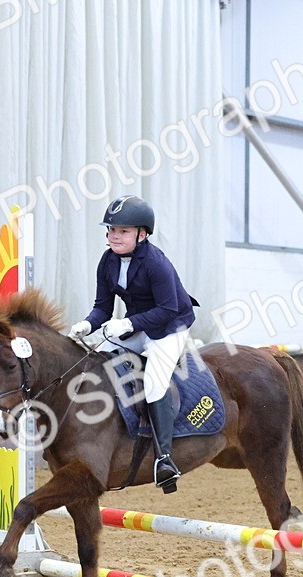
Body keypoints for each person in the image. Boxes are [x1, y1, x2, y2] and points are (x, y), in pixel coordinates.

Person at [68, 195, 196, 493]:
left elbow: (168, 308)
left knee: (153, 383)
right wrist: (87, 324)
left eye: (123, 231)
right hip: (138, 323)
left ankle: (165, 459)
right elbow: (103, 307)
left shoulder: (155, 263)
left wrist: (126, 324)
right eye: (112, 230)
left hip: (169, 328)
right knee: (99, 355)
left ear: (142, 234)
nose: (115, 235)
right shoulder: (108, 261)